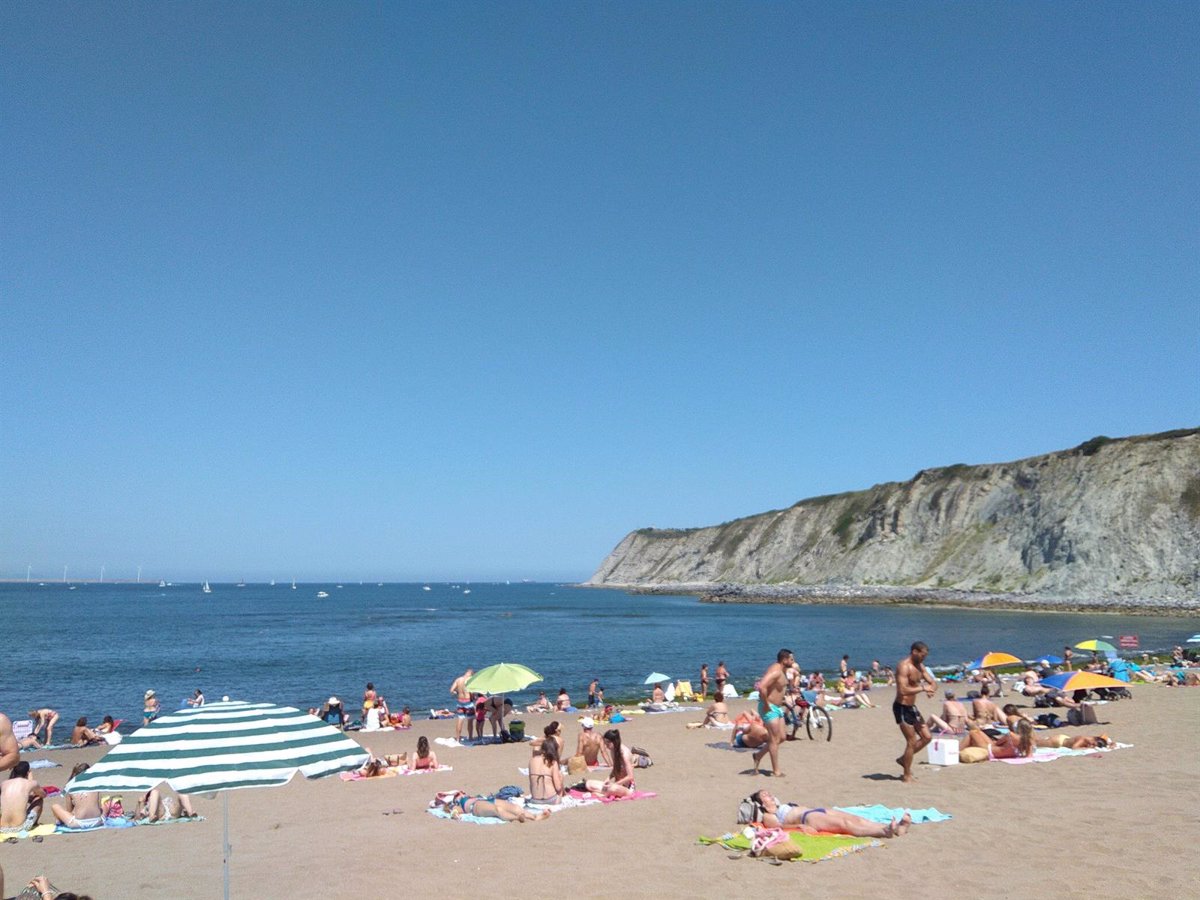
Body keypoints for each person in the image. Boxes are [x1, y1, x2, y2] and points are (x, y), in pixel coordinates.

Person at [751, 790, 911, 837]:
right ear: (761, 802)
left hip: (817, 811)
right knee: (845, 825)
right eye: (764, 795)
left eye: (768, 792)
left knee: (856, 818)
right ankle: (884, 831)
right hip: (809, 818)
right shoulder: (767, 814)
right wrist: (798, 826)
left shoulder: (782, 805)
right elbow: (778, 827)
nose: (769, 794)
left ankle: (896, 828)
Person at [894, 641, 936, 782]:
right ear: (914, 652)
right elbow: (902, 690)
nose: (924, 658)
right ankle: (906, 774)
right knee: (911, 741)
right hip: (901, 707)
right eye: (922, 655)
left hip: (912, 708)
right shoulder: (904, 666)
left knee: (927, 737)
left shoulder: (920, 666)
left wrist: (932, 688)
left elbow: (932, 682)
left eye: (926, 656)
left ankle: (903, 759)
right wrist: (923, 688)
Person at [752, 648, 793, 777]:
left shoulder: (782, 670)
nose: (793, 661)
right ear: (784, 660)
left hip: (777, 707)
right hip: (769, 708)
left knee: (782, 737)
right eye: (791, 659)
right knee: (774, 739)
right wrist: (767, 704)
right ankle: (776, 771)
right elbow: (762, 687)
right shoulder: (776, 671)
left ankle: (758, 755)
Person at [50, 764, 109, 829]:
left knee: (55, 806)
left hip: (78, 823)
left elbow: (69, 811)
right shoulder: (95, 785)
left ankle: (59, 821)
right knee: (105, 804)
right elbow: (98, 806)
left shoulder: (71, 786)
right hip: (98, 822)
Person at [433, 790, 547, 823]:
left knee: (513, 807)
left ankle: (534, 817)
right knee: (498, 810)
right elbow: (455, 812)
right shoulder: (457, 804)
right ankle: (517, 818)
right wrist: (454, 814)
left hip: (485, 800)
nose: (461, 794)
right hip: (476, 807)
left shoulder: (464, 797)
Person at [585, 728, 635, 798]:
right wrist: (608, 778)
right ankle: (604, 792)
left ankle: (601, 794)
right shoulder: (613, 750)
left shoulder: (625, 754)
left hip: (627, 787)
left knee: (612, 788)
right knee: (589, 783)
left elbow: (630, 776)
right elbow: (615, 768)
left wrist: (615, 784)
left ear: (613, 742)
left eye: (607, 743)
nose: (606, 746)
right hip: (616, 784)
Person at [1, 762, 46, 833]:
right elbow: (43, 795)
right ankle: (34, 823)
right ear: (28, 772)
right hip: (20, 828)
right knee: (38, 799)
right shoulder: (31, 783)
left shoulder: (4, 783)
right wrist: (31, 778)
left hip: (2, 828)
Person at [528, 733, 564, 806]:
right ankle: (557, 803)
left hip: (535, 800)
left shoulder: (532, 761)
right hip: (550, 799)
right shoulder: (553, 762)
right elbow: (558, 788)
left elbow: (531, 782)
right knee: (560, 776)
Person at [449, 668, 475, 742]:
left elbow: (451, 690)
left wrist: (457, 693)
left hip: (460, 701)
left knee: (460, 719)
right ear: (471, 674)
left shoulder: (458, 679)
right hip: (468, 702)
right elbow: (471, 692)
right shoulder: (470, 680)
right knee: (470, 720)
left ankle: (457, 738)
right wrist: (473, 698)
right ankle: (470, 737)